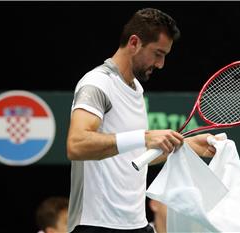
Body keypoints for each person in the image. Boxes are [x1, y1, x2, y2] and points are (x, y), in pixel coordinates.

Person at [66, 7, 218, 233]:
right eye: (158, 53)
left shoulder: (136, 89)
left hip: (136, 225)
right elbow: (76, 145)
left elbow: (133, 156)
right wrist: (144, 137)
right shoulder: (97, 83)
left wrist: (192, 146)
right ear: (134, 43)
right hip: (96, 224)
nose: (161, 64)